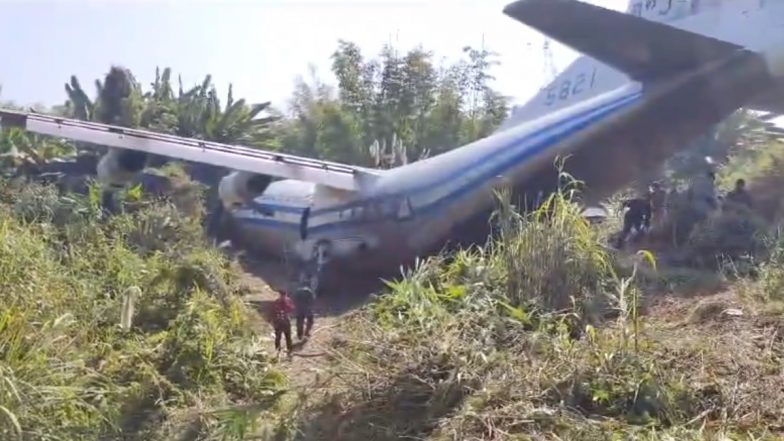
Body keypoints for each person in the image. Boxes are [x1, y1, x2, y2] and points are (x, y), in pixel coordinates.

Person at [271, 289, 295, 356]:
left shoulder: (288, 301)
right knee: (278, 337)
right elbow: (273, 312)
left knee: (288, 336)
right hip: (279, 321)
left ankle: (289, 350)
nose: (283, 297)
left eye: (284, 296)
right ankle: (277, 350)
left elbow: (292, 308)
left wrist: (286, 310)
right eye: (282, 296)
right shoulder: (277, 302)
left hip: (286, 321)